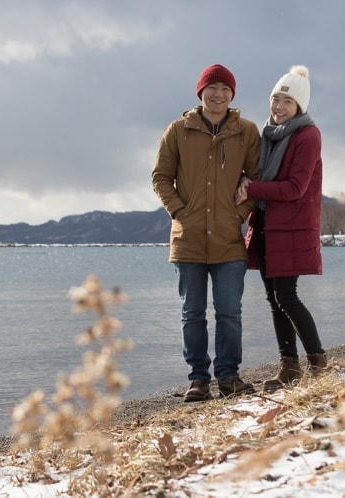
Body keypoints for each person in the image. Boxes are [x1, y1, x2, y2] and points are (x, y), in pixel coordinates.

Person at [152, 64, 260, 402]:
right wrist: (180, 212)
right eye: (212, 87)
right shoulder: (178, 130)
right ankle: (198, 379)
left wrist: (239, 214)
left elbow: (257, 181)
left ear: (232, 95)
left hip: (229, 239)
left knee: (229, 311)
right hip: (188, 240)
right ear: (200, 92)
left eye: (225, 89)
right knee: (192, 313)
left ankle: (228, 377)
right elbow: (160, 178)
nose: (219, 94)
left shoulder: (247, 131)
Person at [235, 65, 327, 392]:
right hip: (265, 227)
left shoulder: (307, 135)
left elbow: (294, 188)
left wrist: (251, 188)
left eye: (287, 102)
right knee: (274, 299)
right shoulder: (268, 134)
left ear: (299, 107)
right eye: (275, 98)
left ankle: (318, 363)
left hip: (291, 230)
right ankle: (289, 366)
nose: (279, 107)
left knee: (286, 296)